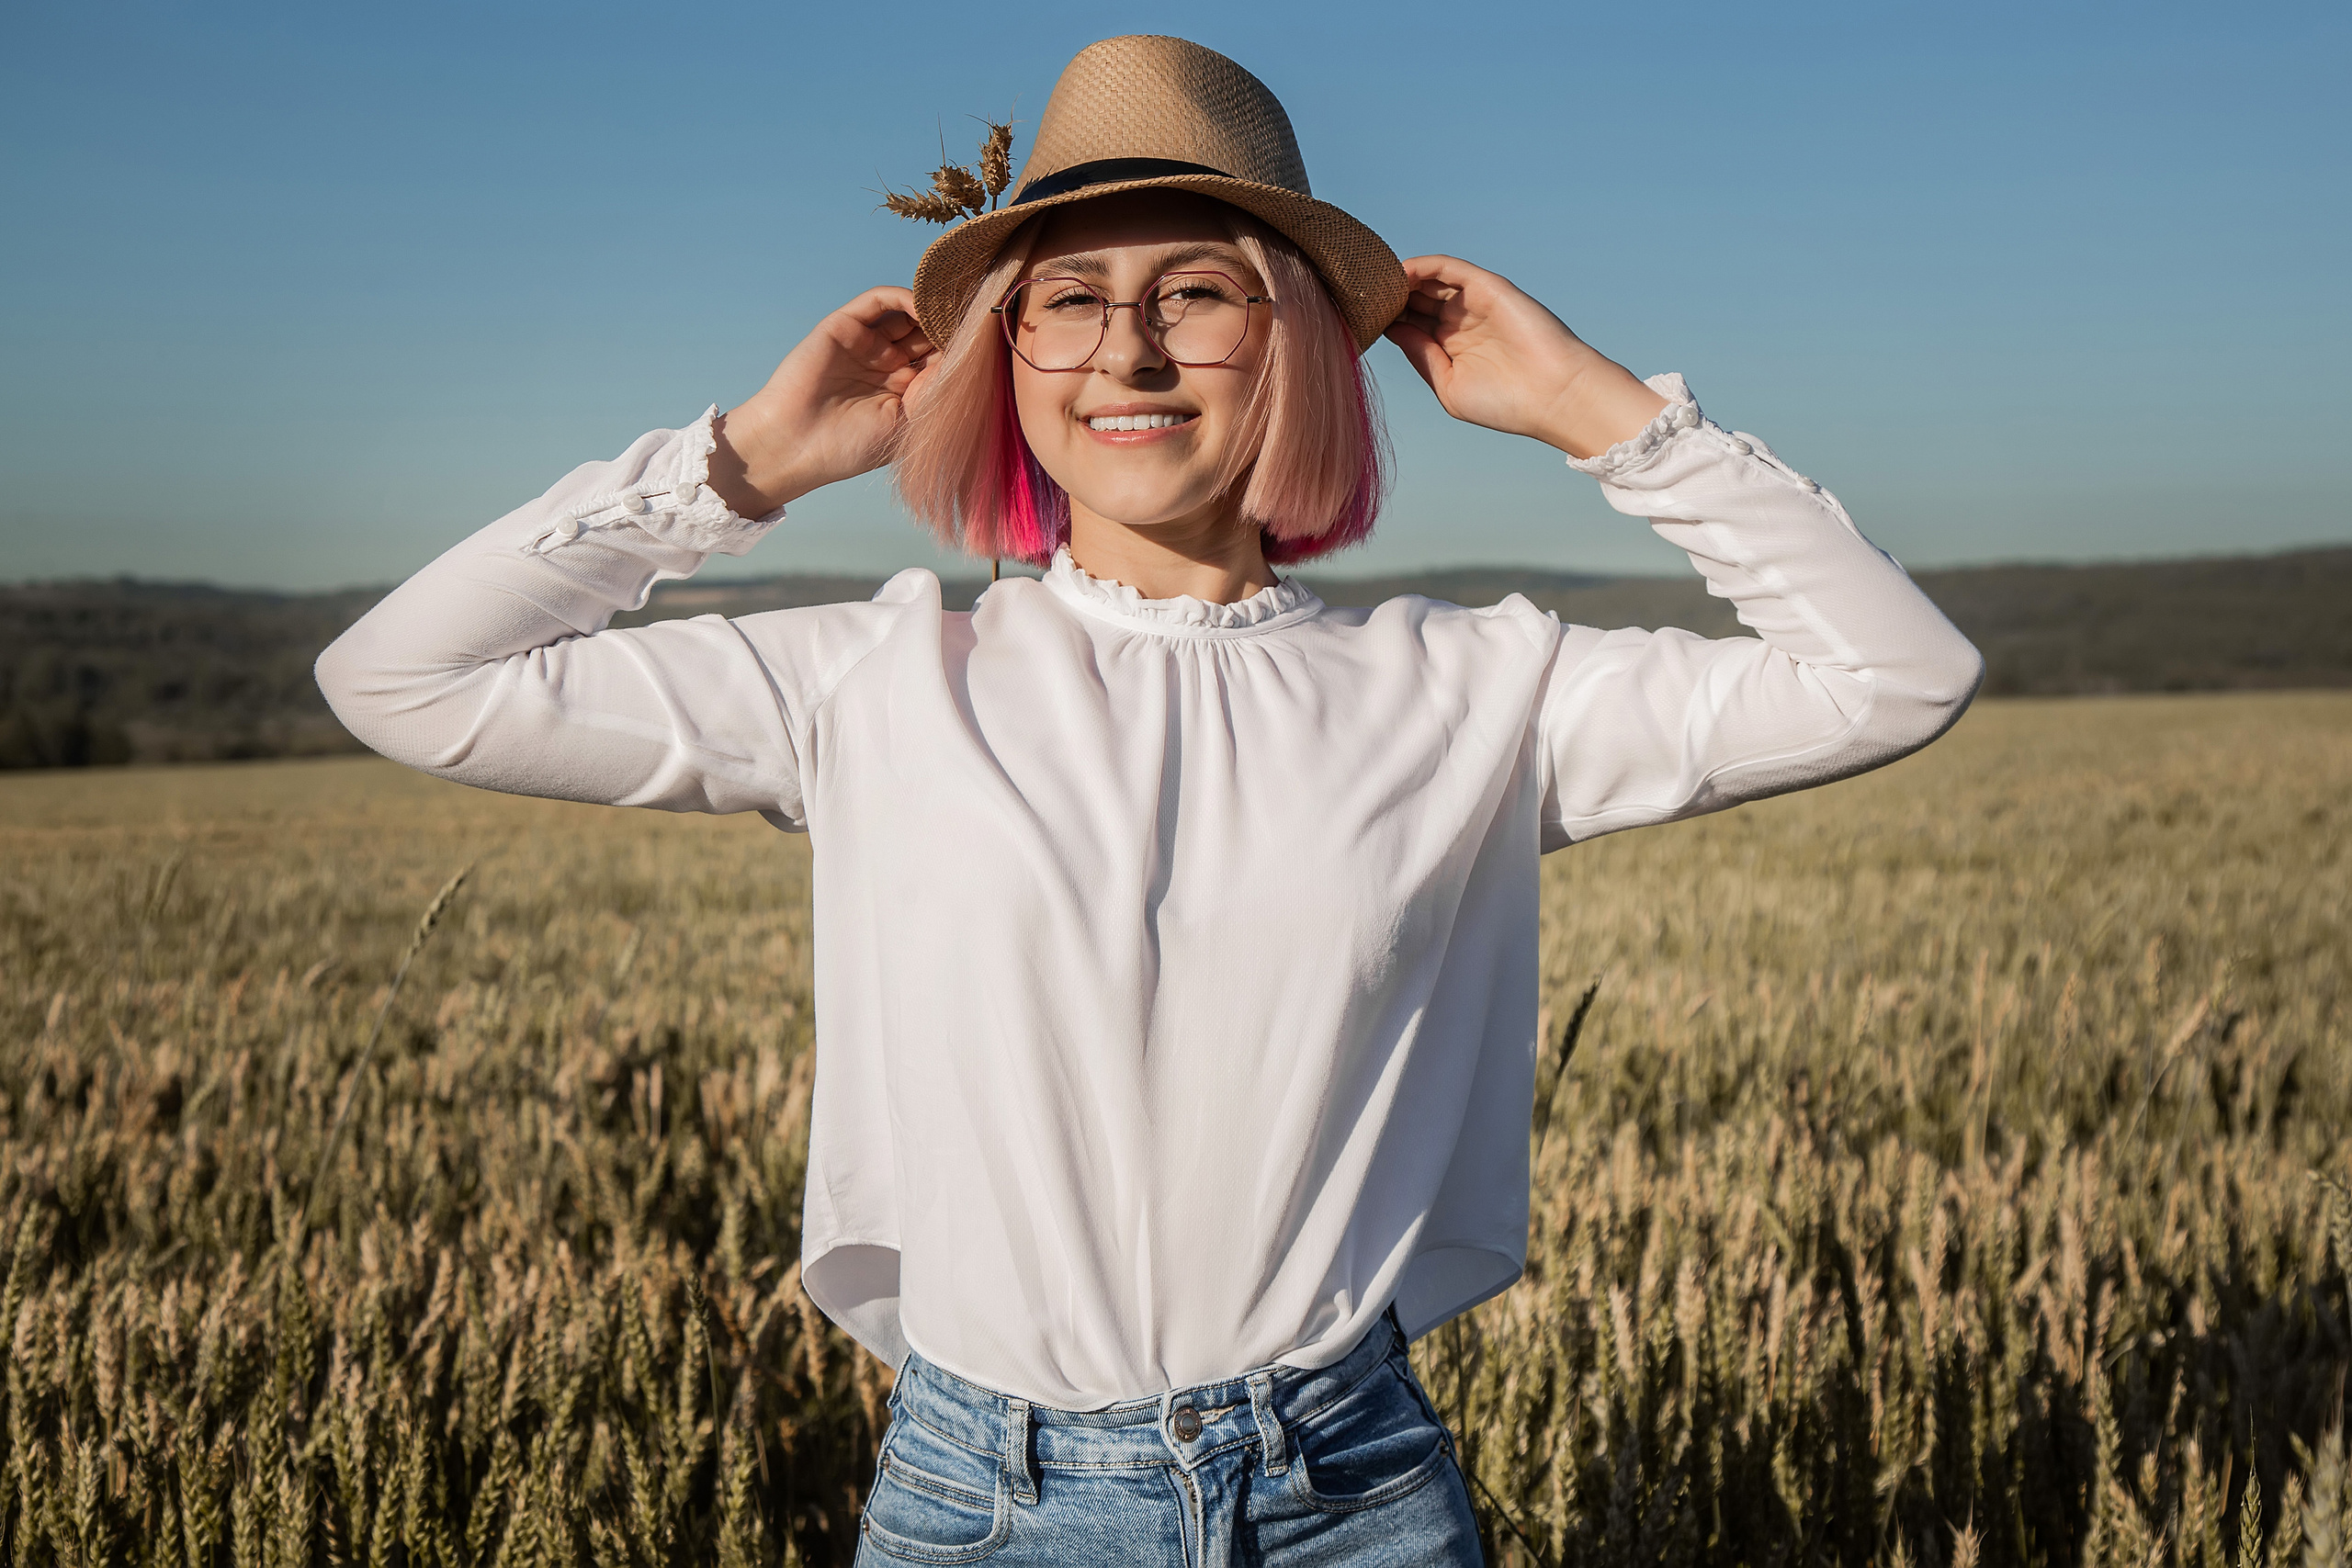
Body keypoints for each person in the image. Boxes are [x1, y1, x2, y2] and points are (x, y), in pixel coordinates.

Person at [317, 34, 1982, 1567]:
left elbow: (1890, 675)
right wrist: (735, 464)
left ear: (1298, 346)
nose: (1129, 346)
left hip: (1356, 1499)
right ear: (1010, 355)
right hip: (989, 1502)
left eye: (1197, 293)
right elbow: (406, 681)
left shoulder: (1483, 688)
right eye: (1067, 299)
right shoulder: (877, 680)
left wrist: (1597, 414)